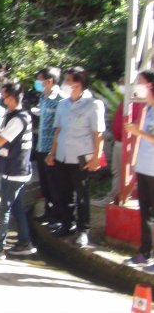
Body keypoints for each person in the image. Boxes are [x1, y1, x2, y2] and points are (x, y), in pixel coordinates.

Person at [46, 66, 105, 247]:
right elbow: (58, 130)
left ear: (80, 83)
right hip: (63, 155)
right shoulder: (63, 104)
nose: (67, 84)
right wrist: (52, 152)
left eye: (70, 81)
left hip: (81, 157)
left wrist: (97, 156)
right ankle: (67, 223)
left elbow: (98, 133)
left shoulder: (93, 104)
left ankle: (83, 230)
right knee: (64, 193)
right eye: (66, 81)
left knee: (81, 195)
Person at [0, 83, 36, 260]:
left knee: (4, 207)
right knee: (16, 207)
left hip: (15, 170)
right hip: (18, 168)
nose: (2, 99)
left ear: (12, 97)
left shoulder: (18, 118)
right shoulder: (16, 115)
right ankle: (24, 242)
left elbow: (0, 141)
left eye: (5, 96)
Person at [94, 71, 154, 206]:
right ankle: (114, 198)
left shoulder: (143, 104)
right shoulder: (132, 99)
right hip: (123, 144)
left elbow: (140, 130)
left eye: (139, 81)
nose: (135, 84)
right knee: (118, 172)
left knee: (124, 175)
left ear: (150, 85)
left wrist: (135, 138)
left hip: (138, 152)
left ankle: (116, 199)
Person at [123, 83, 154, 269]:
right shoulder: (148, 110)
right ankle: (144, 252)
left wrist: (138, 132)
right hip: (144, 168)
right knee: (145, 214)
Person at [33, 67, 67, 226]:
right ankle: (48, 212)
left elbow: (60, 127)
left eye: (40, 80)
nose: (38, 83)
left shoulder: (61, 99)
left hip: (52, 149)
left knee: (56, 185)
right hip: (41, 146)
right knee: (45, 184)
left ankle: (58, 217)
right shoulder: (43, 97)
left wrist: (53, 151)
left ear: (49, 80)